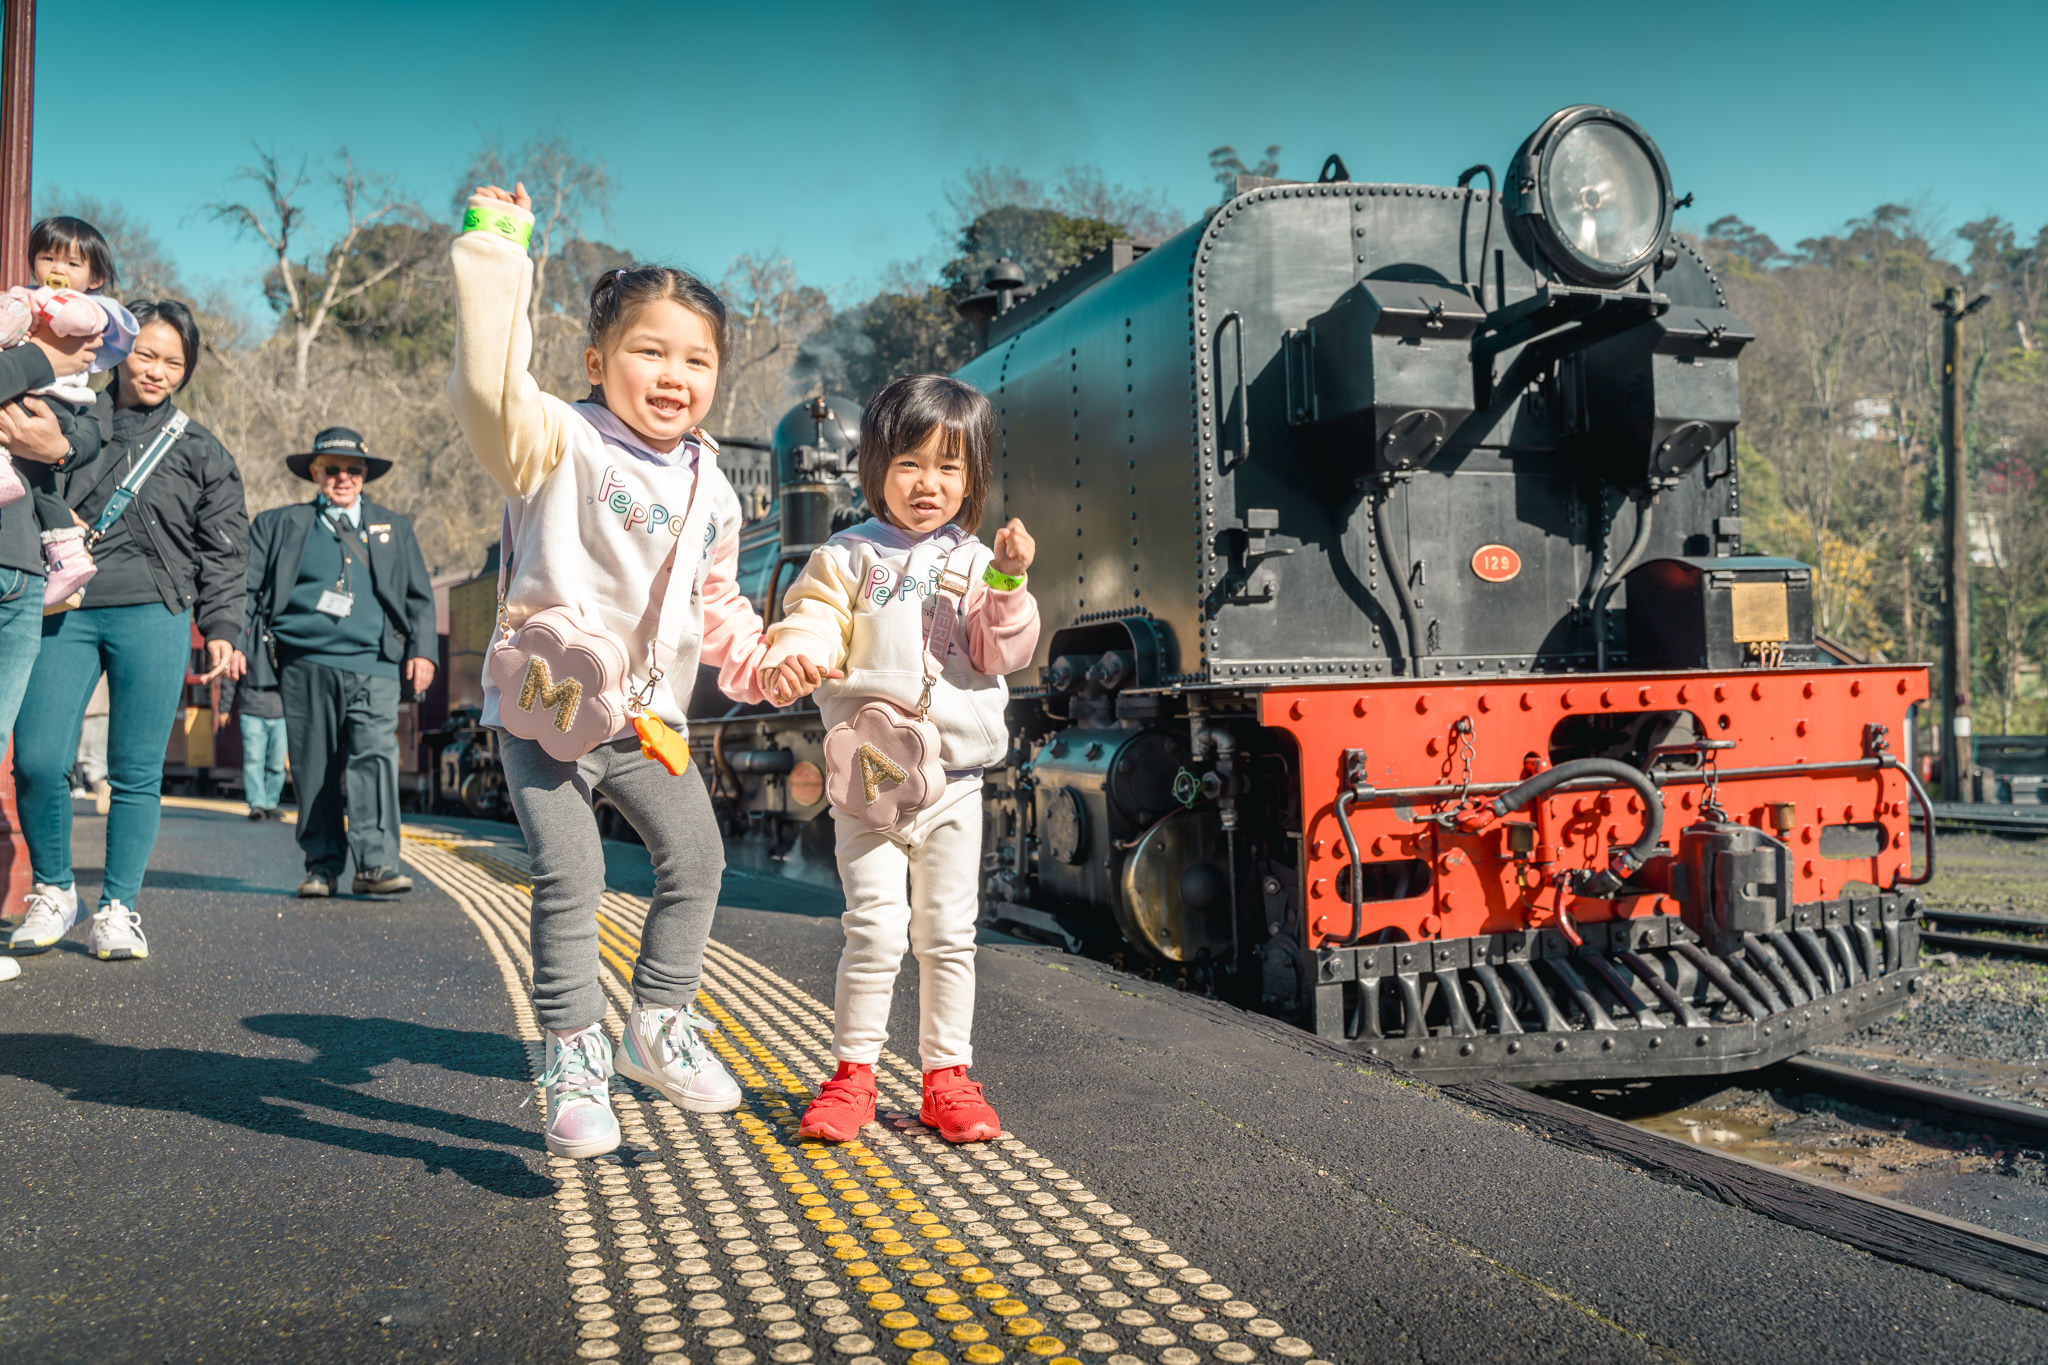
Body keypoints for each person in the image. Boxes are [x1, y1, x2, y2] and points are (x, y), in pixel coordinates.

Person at [449, 182, 773, 1159]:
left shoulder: (716, 491)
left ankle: (657, 1025)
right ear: (596, 362)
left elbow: (716, 605)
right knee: (572, 871)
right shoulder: (557, 439)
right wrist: (497, 249)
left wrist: (766, 664)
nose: (674, 376)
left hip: (645, 721)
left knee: (699, 860)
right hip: (548, 708)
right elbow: (488, 390)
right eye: (649, 352)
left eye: (697, 359)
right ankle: (573, 1058)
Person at [759, 374, 1039, 1145]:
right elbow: (811, 621)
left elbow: (1000, 649)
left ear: (972, 478)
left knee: (949, 936)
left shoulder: (977, 561)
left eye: (949, 467)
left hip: (955, 785)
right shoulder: (846, 556)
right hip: (870, 779)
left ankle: (948, 1079)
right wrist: (794, 656)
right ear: (875, 465)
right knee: (874, 931)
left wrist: (1010, 581)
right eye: (910, 463)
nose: (928, 483)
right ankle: (853, 1075)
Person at [6, 299, 246, 963]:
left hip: (156, 611)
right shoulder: (69, 416)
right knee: (38, 759)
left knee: (135, 771)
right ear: (119, 352)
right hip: (66, 605)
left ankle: (118, 906)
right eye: (146, 354)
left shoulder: (200, 448)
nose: (157, 371)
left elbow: (225, 545)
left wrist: (223, 624)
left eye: (174, 362)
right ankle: (55, 890)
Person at [245, 429, 434, 894]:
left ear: (365, 475)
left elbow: (419, 598)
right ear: (315, 473)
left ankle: (376, 866)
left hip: (376, 663)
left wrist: (423, 652)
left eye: (353, 470)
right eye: (332, 470)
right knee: (313, 765)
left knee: (375, 757)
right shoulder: (279, 525)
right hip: (304, 662)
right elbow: (246, 590)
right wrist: (232, 644)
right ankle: (322, 865)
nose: (343, 478)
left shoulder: (394, 528)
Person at [0, 279, 104, 985]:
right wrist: (43, 358)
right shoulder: (34, 346)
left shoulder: (81, 378)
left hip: (23, 570)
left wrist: (59, 444)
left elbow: (84, 441)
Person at [223, 664, 286, 821]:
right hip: (251, 708)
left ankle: (271, 803)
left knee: (278, 764)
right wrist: (224, 708)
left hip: (281, 710)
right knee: (254, 760)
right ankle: (257, 804)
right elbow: (231, 676)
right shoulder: (244, 647)